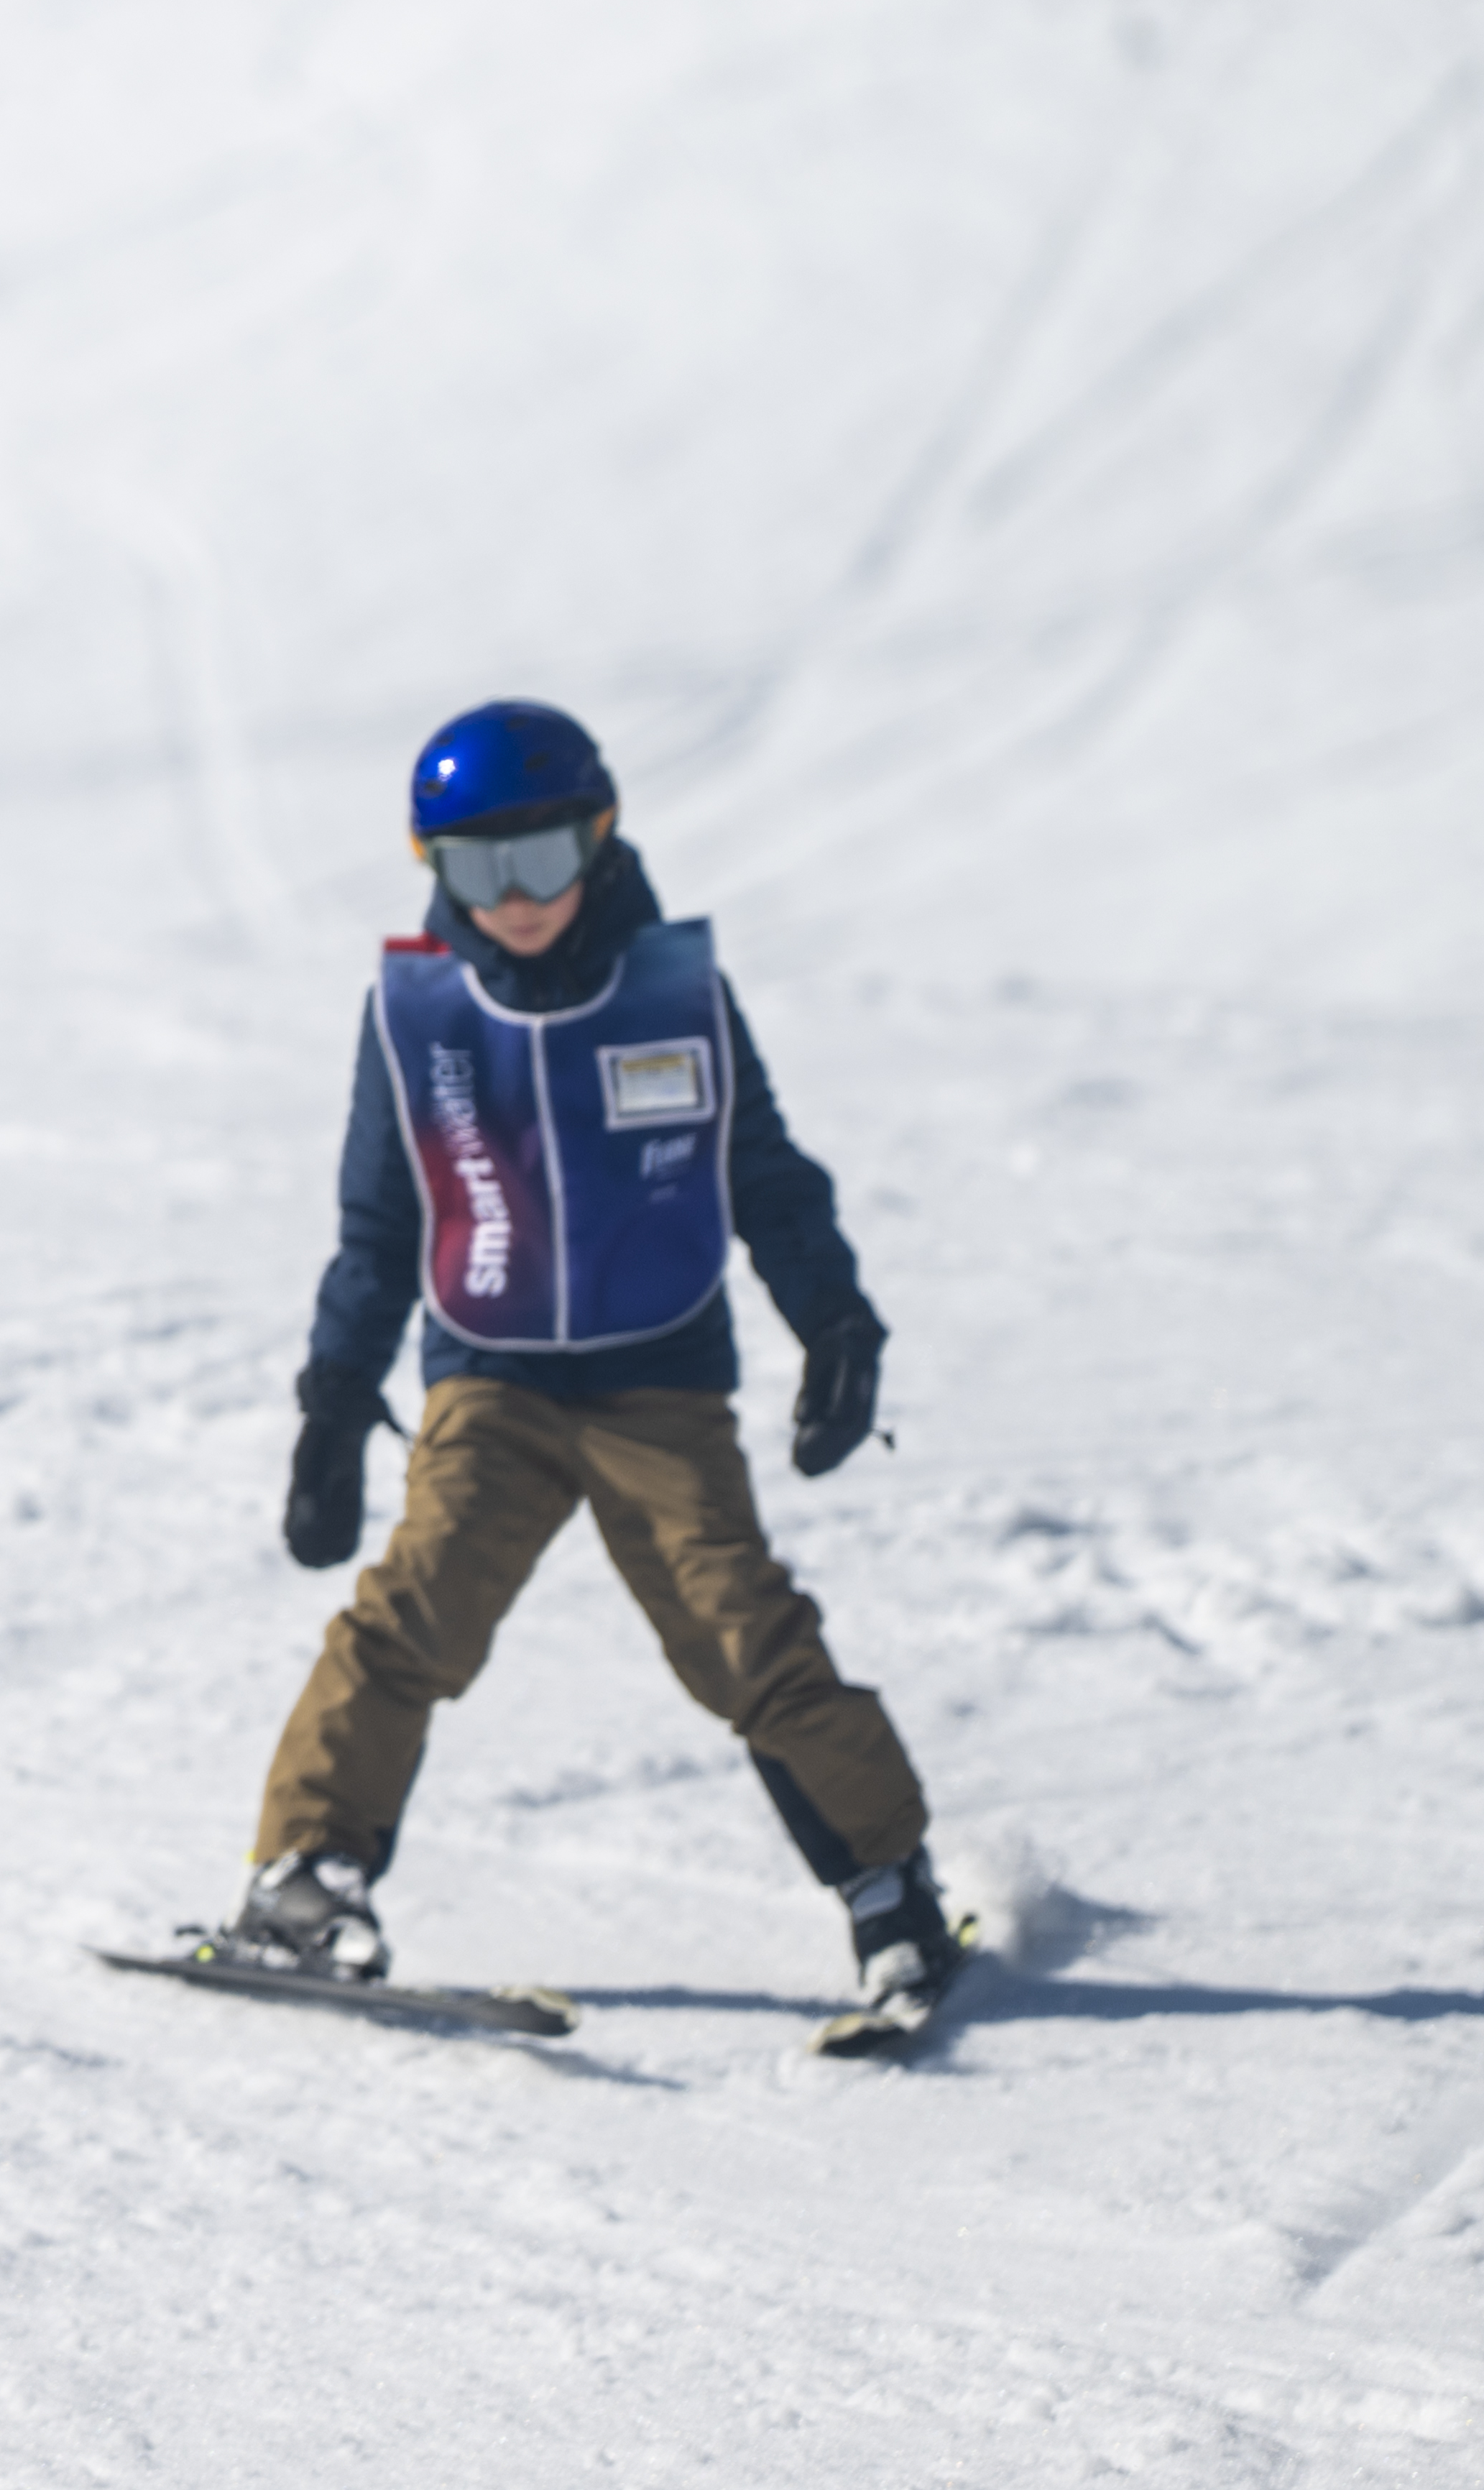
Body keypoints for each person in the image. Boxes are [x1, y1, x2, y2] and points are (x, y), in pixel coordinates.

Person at [222, 700, 967, 2034]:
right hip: (489, 1379)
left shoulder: (676, 993)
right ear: (430, 867)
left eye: (544, 862)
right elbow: (380, 1229)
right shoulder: (419, 1013)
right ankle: (308, 1877)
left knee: (743, 1629)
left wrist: (835, 1322)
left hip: (658, 1379)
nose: (514, 901)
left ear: (603, 836)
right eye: (476, 870)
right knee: (412, 1614)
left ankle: (889, 1888)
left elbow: (768, 1180)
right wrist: (335, 1403)